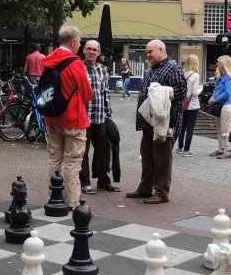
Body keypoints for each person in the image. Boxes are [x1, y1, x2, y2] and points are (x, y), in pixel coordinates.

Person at [126, 40, 186, 205]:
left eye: (150, 51)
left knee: (162, 158)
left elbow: (181, 92)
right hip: (149, 124)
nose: (148, 55)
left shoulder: (173, 69)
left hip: (164, 125)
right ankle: (145, 188)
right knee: (147, 156)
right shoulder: (152, 69)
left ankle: (161, 192)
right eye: (147, 52)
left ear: (161, 50)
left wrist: (163, 92)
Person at [42, 26, 92, 208]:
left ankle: (53, 197)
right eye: (79, 42)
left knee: (54, 159)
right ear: (72, 42)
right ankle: (72, 201)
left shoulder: (48, 60)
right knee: (73, 161)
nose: (80, 46)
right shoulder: (75, 63)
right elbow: (87, 93)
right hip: (73, 119)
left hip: (52, 117)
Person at [78, 39, 118, 194]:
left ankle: (103, 181)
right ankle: (85, 183)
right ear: (84, 51)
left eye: (95, 50)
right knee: (84, 152)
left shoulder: (102, 69)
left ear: (99, 53)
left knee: (104, 150)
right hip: (83, 117)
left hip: (100, 117)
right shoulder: (79, 68)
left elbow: (106, 93)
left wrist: (109, 113)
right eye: (89, 49)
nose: (91, 52)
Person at [209, 55, 231, 159]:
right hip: (219, 105)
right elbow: (216, 91)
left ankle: (228, 151)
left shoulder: (229, 77)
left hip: (226, 105)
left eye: (219, 62)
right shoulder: (221, 77)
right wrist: (212, 97)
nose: (217, 64)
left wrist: (215, 99)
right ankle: (221, 148)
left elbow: (227, 93)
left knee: (226, 129)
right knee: (220, 129)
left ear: (224, 64)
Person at [175, 54, 202, 156]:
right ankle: (187, 150)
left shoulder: (183, 73)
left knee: (182, 127)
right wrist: (201, 88)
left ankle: (179, 147)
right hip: (193, 105)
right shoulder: (195, 75)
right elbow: (195, 92)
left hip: (182, 103)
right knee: (190, 128)